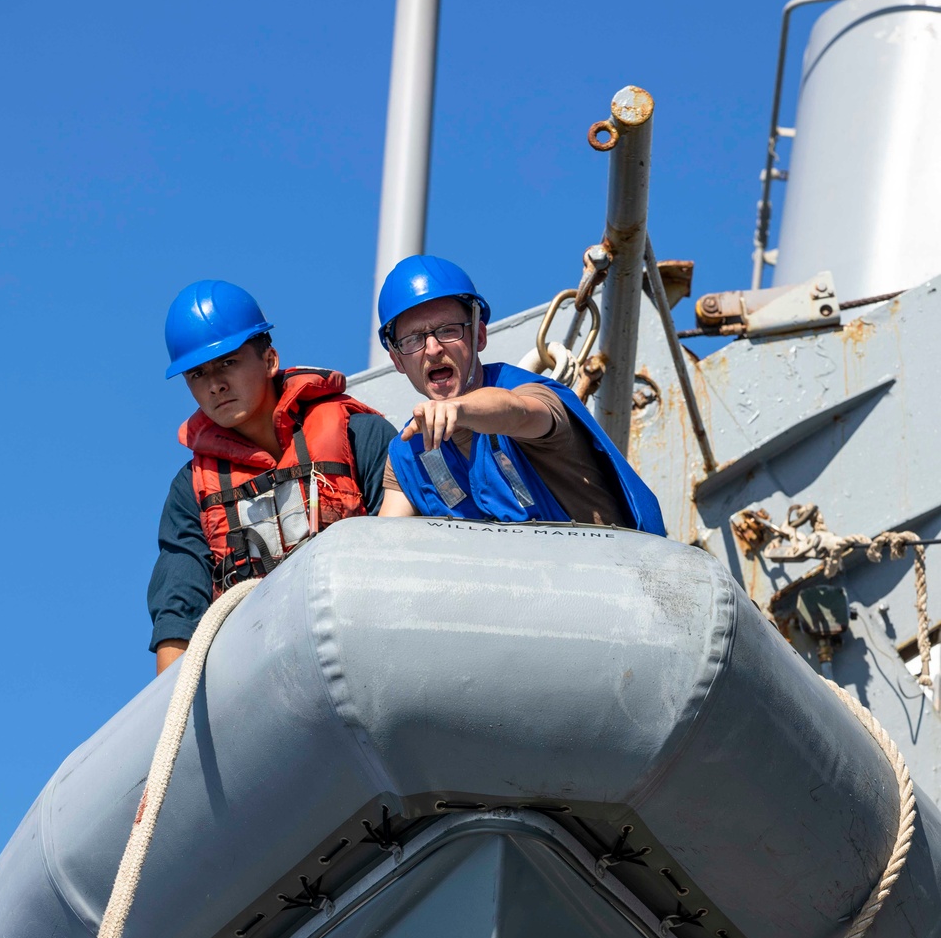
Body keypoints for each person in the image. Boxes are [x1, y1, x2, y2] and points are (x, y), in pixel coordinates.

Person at [148, 279, 396, 672]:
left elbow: (405, 548)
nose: (215, 385)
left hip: (368, 643)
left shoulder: (357, 433)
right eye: (197, 374)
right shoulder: (191, 488)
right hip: (259, 675)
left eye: (228, 362)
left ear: (269, 360)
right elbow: (179, 613)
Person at [375, 255, 665, 532]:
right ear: (398, 360)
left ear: (479, 336)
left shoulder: (533, 396)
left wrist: (458, 409)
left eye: (449, 330)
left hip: (603, 576)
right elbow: (383, 548)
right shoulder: (407, 454)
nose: (433, 349)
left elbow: (517, 412)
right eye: (413, 339)